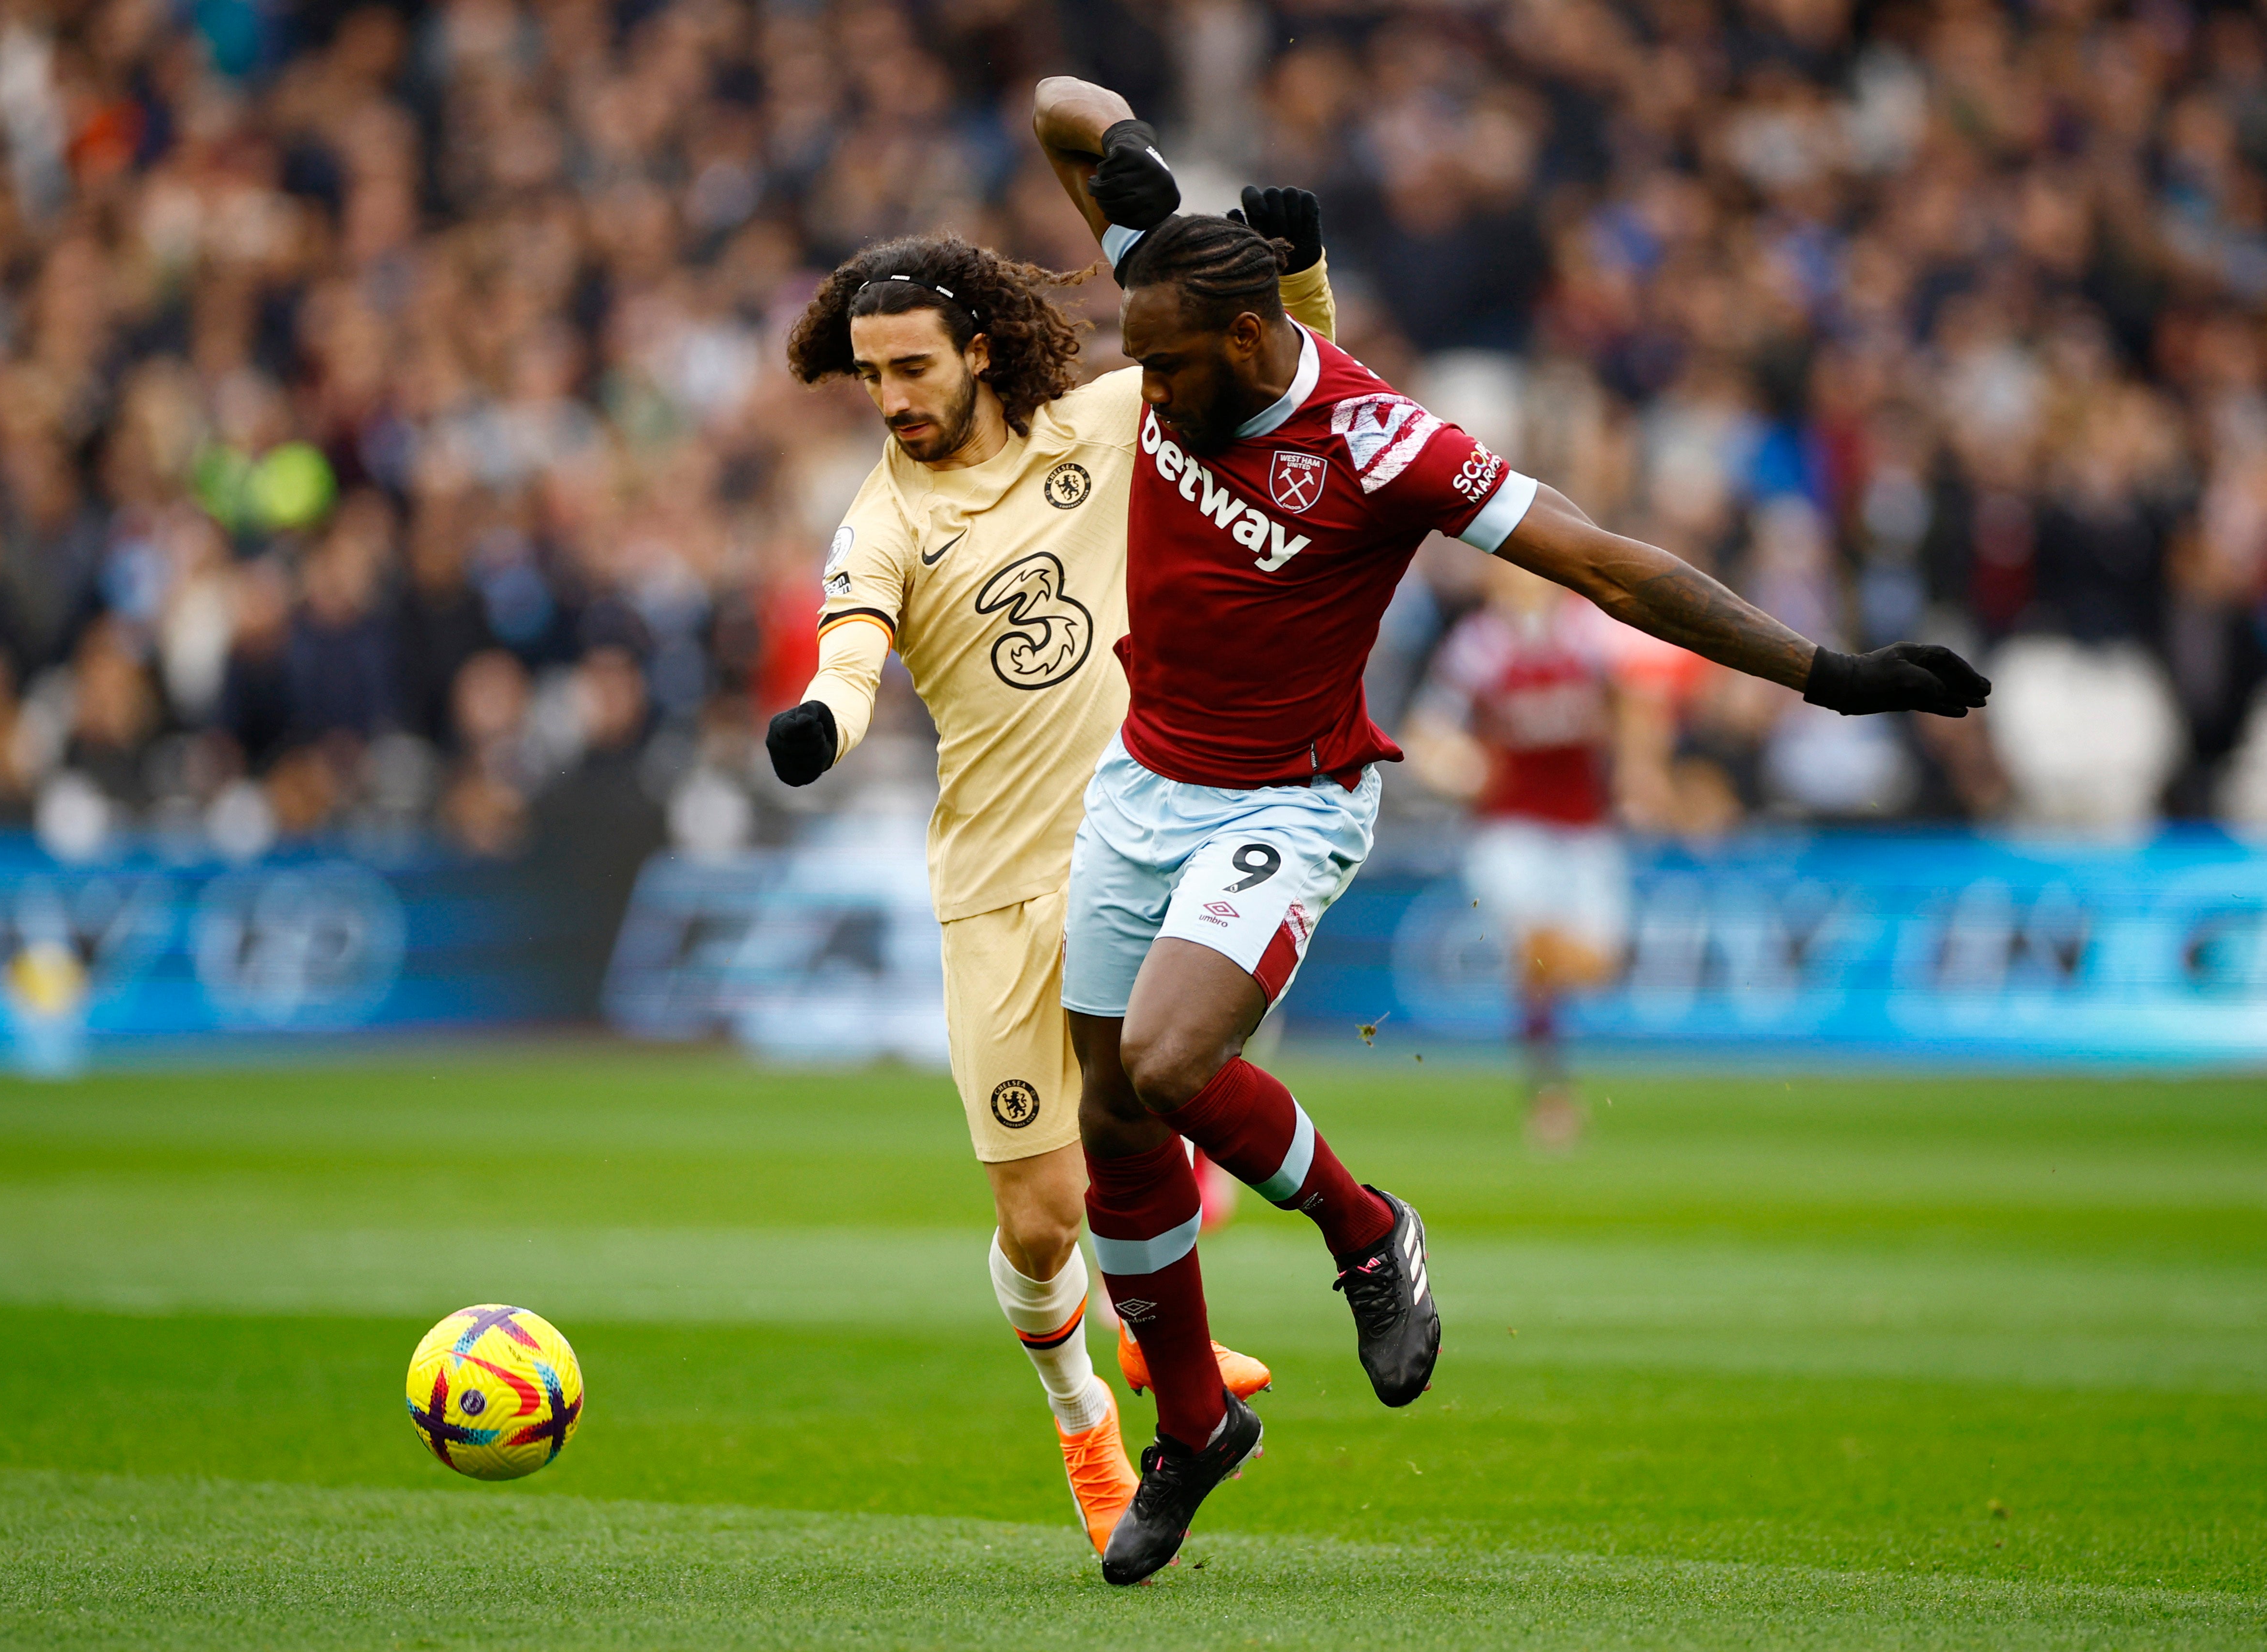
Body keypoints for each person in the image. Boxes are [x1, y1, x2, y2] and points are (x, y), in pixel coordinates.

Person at [1032, 74, 1992, 1586]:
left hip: (1287, 792)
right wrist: (1145, 164)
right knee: (1110, 1122)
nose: (1142, 396)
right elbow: (1058, 104)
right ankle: (1200, 1424)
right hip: (1140, 776)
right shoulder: (1178, 293)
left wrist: (1830, 674)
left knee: (1166, 1063)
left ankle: (1367, 1229)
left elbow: (1608, 567)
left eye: (1162, 372)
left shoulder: (1383, 441)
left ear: (1244, 337)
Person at [766, 217, 1338, 1556]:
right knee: (1039, 1221)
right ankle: (1084, 1409)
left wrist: (1292, 273)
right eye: (869, 377)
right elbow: (848, 658)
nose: (893, 399)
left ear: (977, 349)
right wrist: (819, 724)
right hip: (994, 891)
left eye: (911, 368)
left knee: (1166, 1085)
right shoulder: (881, 521)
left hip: (1143, 851)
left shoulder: (1098, 423)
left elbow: (1285, 371)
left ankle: (1174, 1370)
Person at [1402, 559, 1695, 1148]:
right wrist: (1458, 766)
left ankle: (1543, 1047)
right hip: (1508, 827)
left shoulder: (1588, 633)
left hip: (1584, 826)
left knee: (1597, 964)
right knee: (1534, 948)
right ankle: (1550, 1093)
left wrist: (1641, 769)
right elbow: (1424, 734)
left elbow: (1639, 696)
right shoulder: (1478, 645)